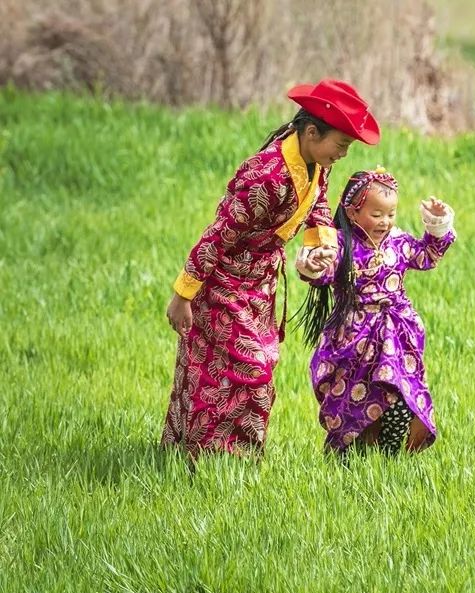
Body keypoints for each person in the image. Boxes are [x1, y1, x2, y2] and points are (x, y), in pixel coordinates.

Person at [162, 79, 380, 458]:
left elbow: (319, 204)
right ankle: (217, 455)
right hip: (226, 283)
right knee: (252, 370)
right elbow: (219, 234)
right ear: (312, 132)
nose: (343, 154)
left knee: (234, 367)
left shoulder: (315, 164)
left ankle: (223, 459)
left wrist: (322, 248)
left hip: (260, 284)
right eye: (341, 145)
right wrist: (184, 294)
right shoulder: (267, 175)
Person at [295, 167, 455, 457]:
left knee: (400, 394)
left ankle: (390, 456)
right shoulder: (341, 246)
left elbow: (427, 256)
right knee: (354, 398)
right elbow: (323, 272)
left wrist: (437, 225)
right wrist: (310, 265)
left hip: (397, 335)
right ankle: (348, 456)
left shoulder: (399, 242)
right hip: (353, 339)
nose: (385, 221)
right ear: (353, 212)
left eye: (391, 214)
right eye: (377, 214)